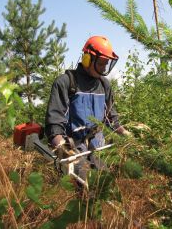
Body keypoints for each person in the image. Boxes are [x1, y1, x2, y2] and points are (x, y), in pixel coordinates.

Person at [45, 36, 131, 180]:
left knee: (106, 181)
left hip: (98, 146)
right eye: (101, 63)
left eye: (106, 64)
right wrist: (63, 150)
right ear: (87, 59)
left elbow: (111, 119)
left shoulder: (104, 85)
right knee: (85, 184)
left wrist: (127, 135)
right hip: (74, 148)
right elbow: (54, 125)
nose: (104, 68)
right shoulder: (66, 83)